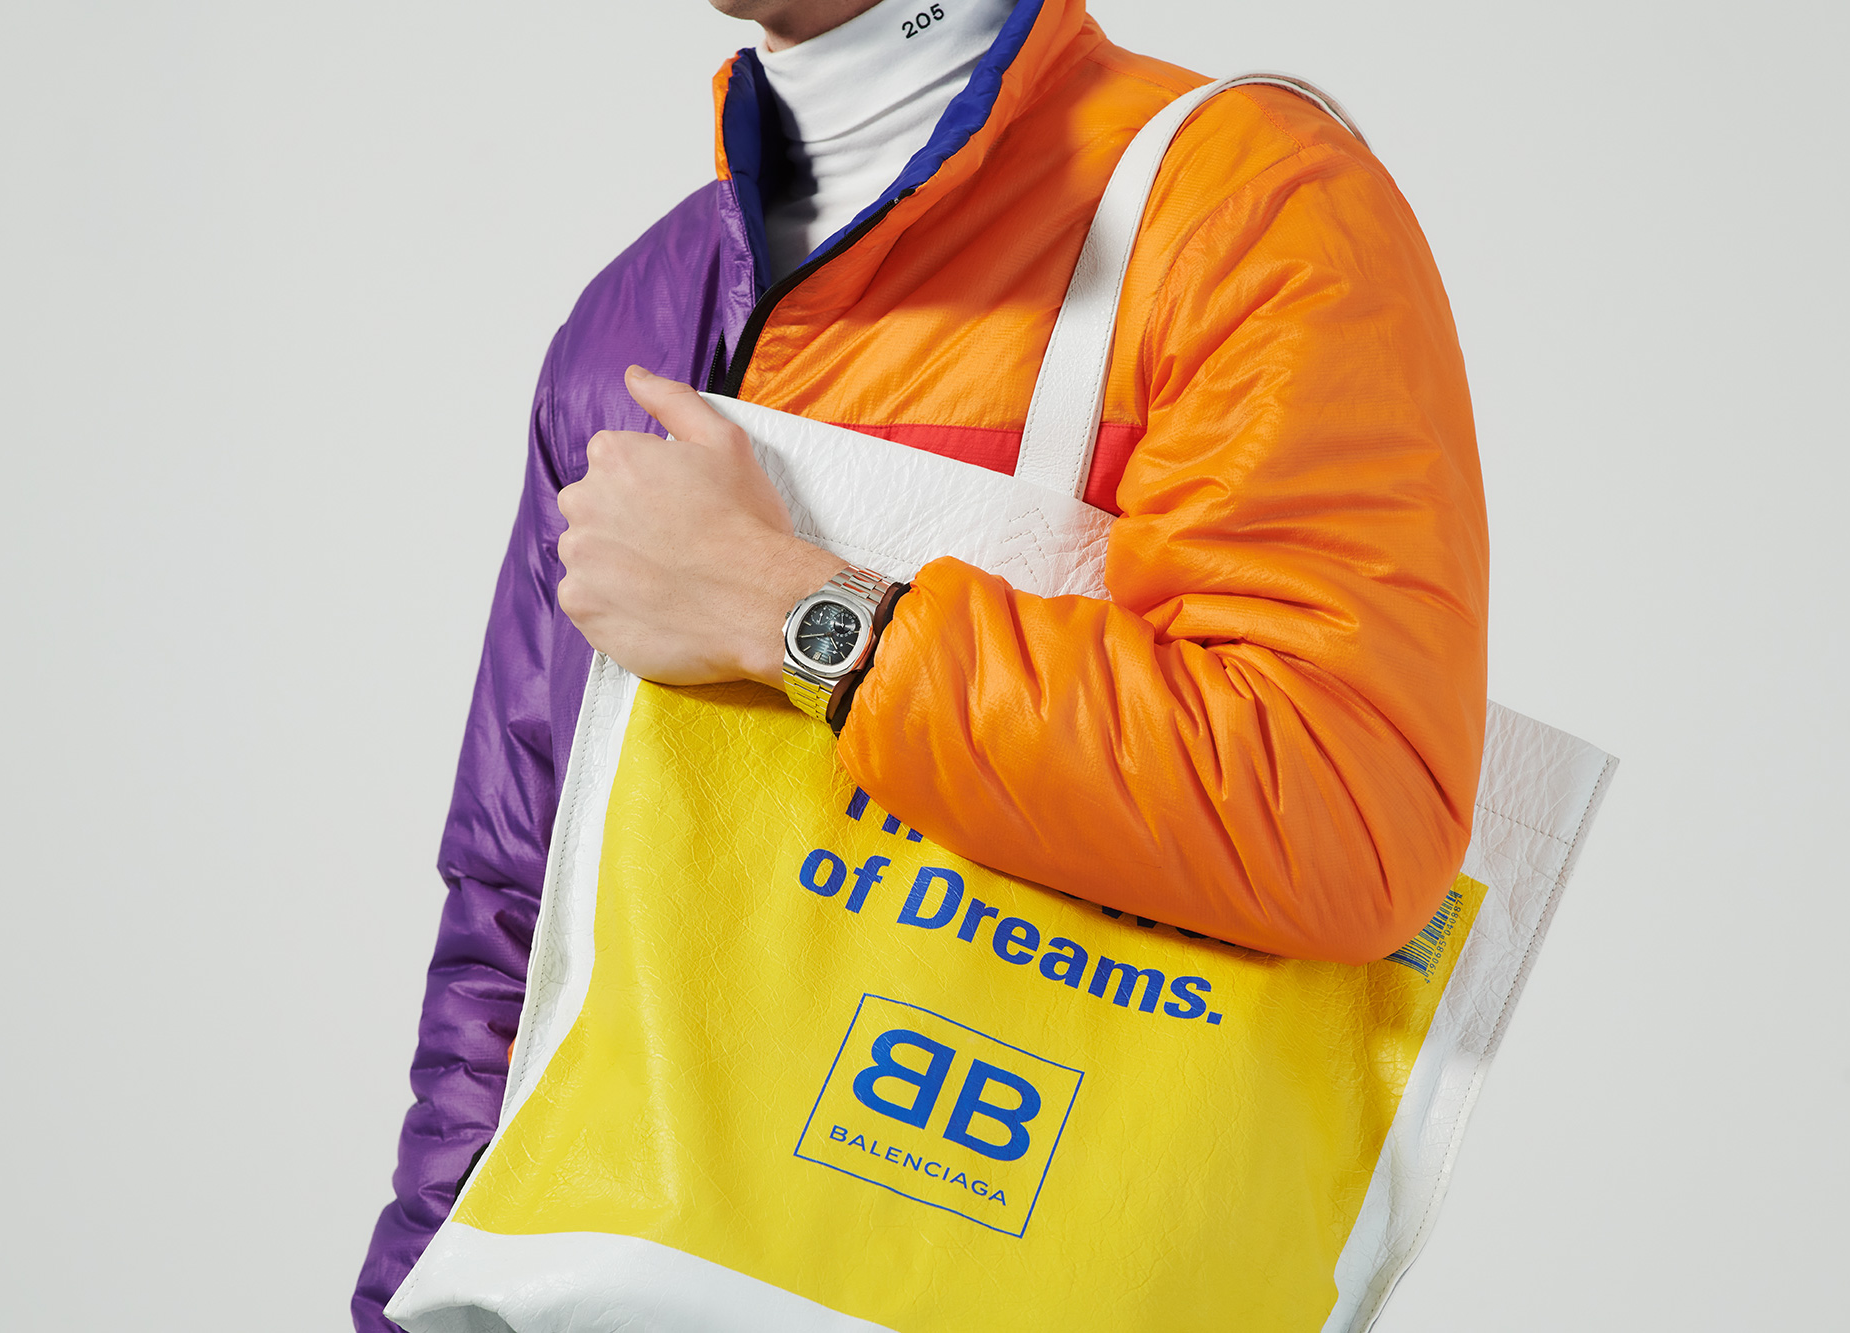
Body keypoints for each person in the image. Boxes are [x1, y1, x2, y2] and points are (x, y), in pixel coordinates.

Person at [352, 0, 1487, 1326]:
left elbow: (1345, 804)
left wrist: (798, 613)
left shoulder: (1235, 209)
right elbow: (516, 922)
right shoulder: (634, 322)